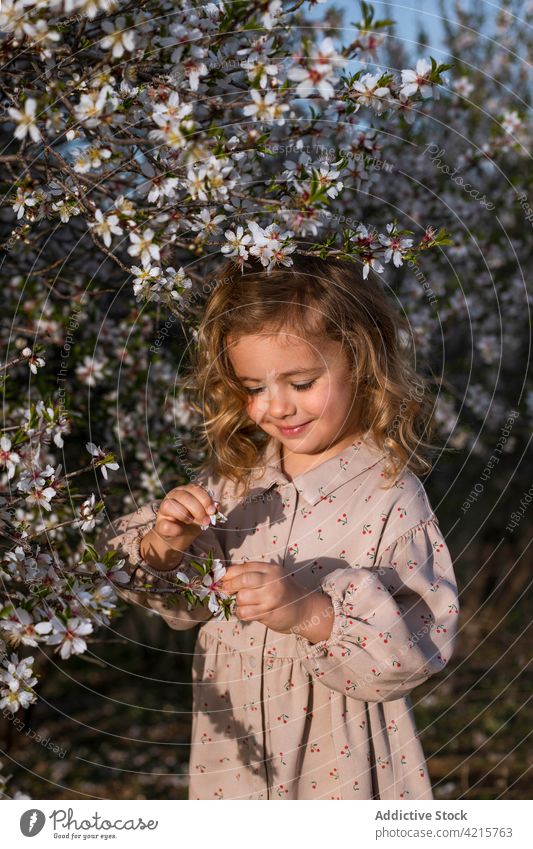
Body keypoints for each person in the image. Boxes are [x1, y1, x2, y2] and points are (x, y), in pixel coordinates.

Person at [96, 255, 459, 800]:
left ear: (360, 361)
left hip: (338, 755)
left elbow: (414, 651)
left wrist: (309, 612)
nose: (277, 407)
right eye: (253, 387)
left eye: (302, 382)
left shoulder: (389, 496)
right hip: (234, 749)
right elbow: (185, 602)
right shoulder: (236, 482)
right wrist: (167, 544)